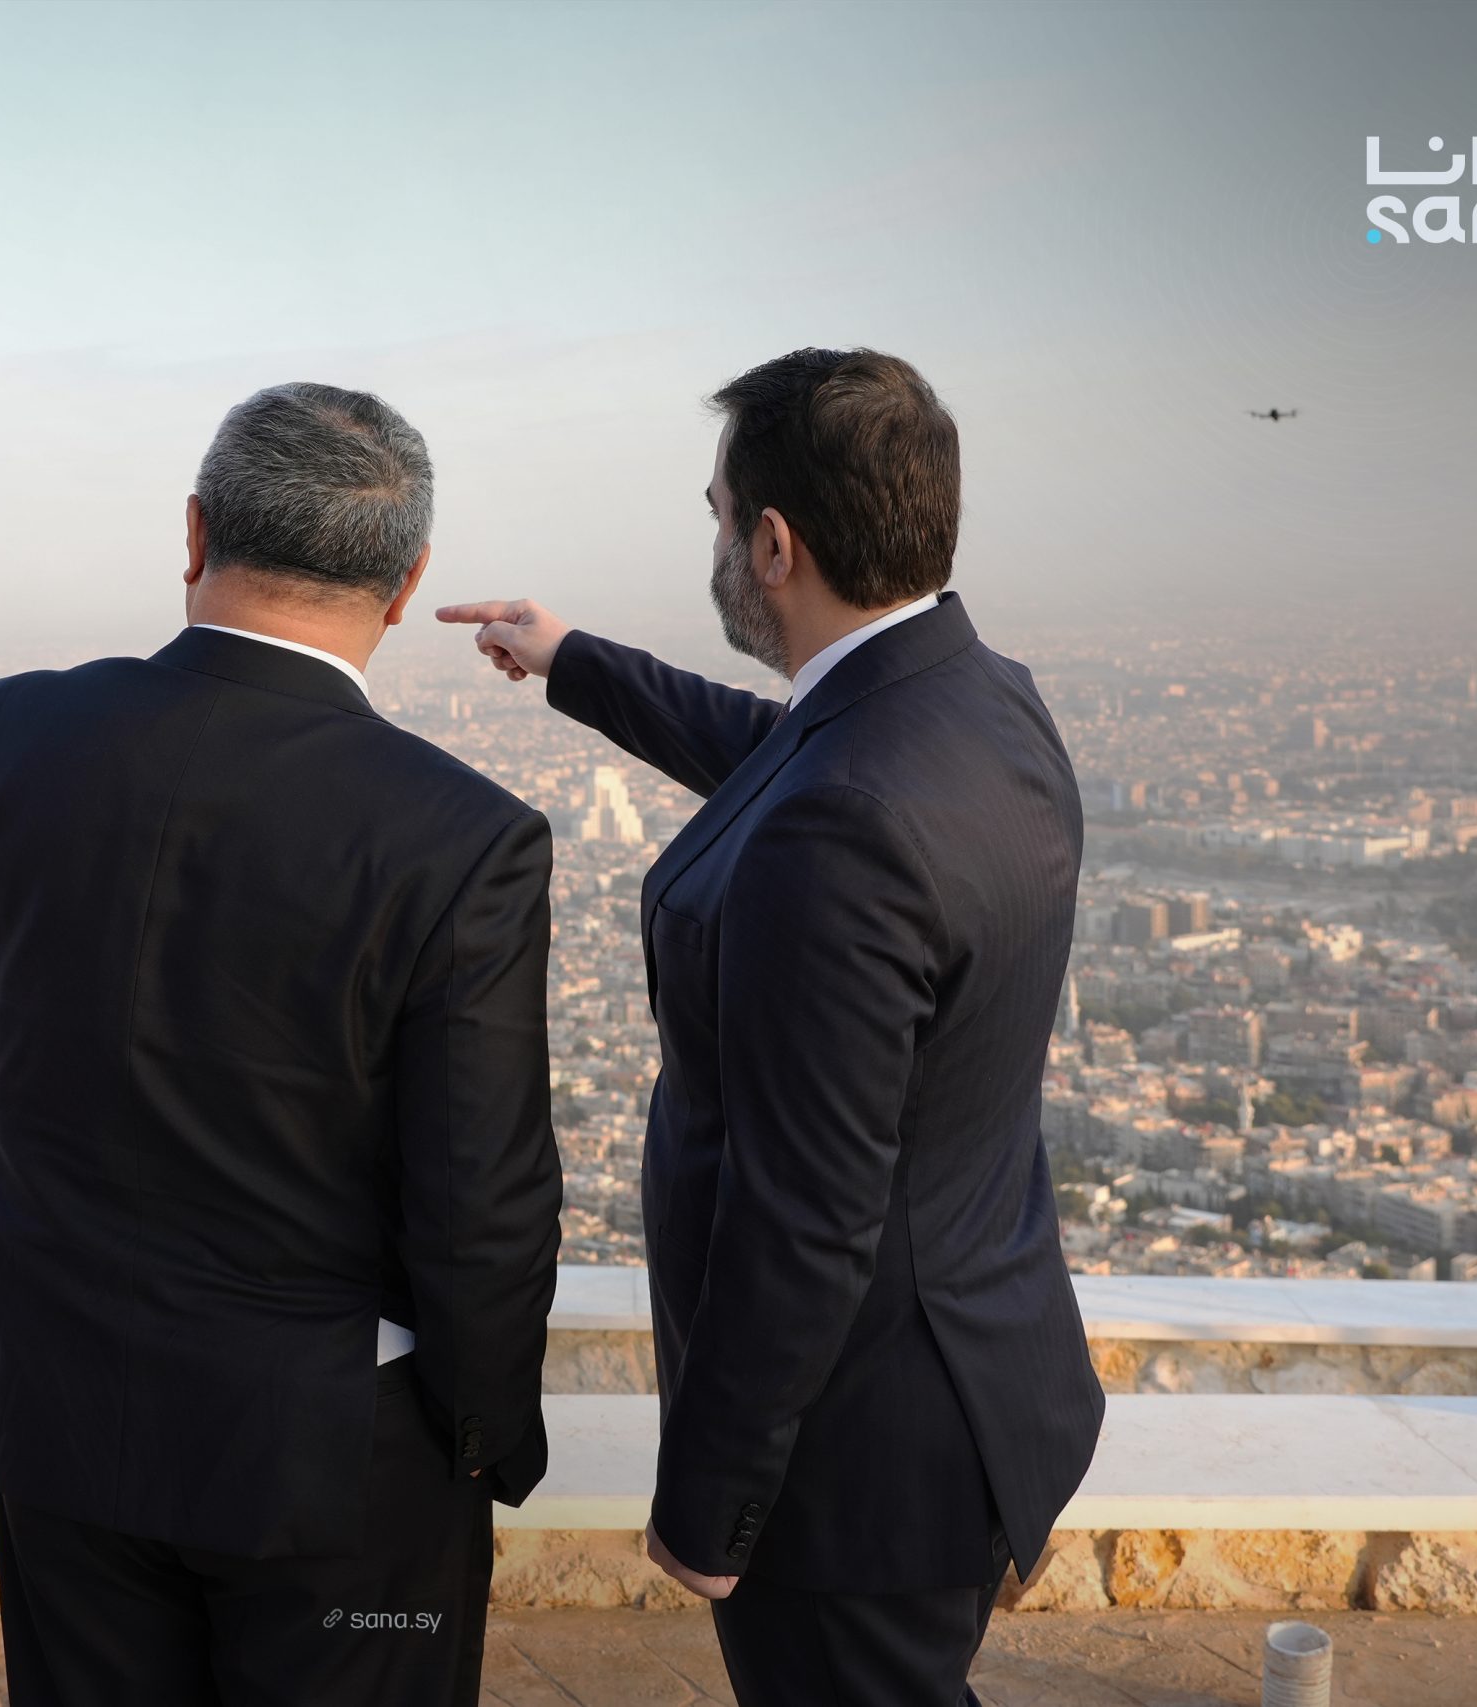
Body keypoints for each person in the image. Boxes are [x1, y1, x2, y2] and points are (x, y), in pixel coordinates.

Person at [0, 382, 561, 1707]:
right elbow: (486, 1198)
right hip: (329, 1453)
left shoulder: (12, 729)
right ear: (408, 584)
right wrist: (486, 1439)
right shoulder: (459, 837)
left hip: (57, 1407)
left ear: (194, 533)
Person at [439, 348, 1104, 1706]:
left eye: (718, 514)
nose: (715, 543)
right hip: (979, 1375)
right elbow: (788, 758)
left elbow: (807, 1209)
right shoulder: (979, 701)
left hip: (856, 1465)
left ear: (776, 544)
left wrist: (713, 1504)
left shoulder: (843, 826)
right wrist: (577, 663)